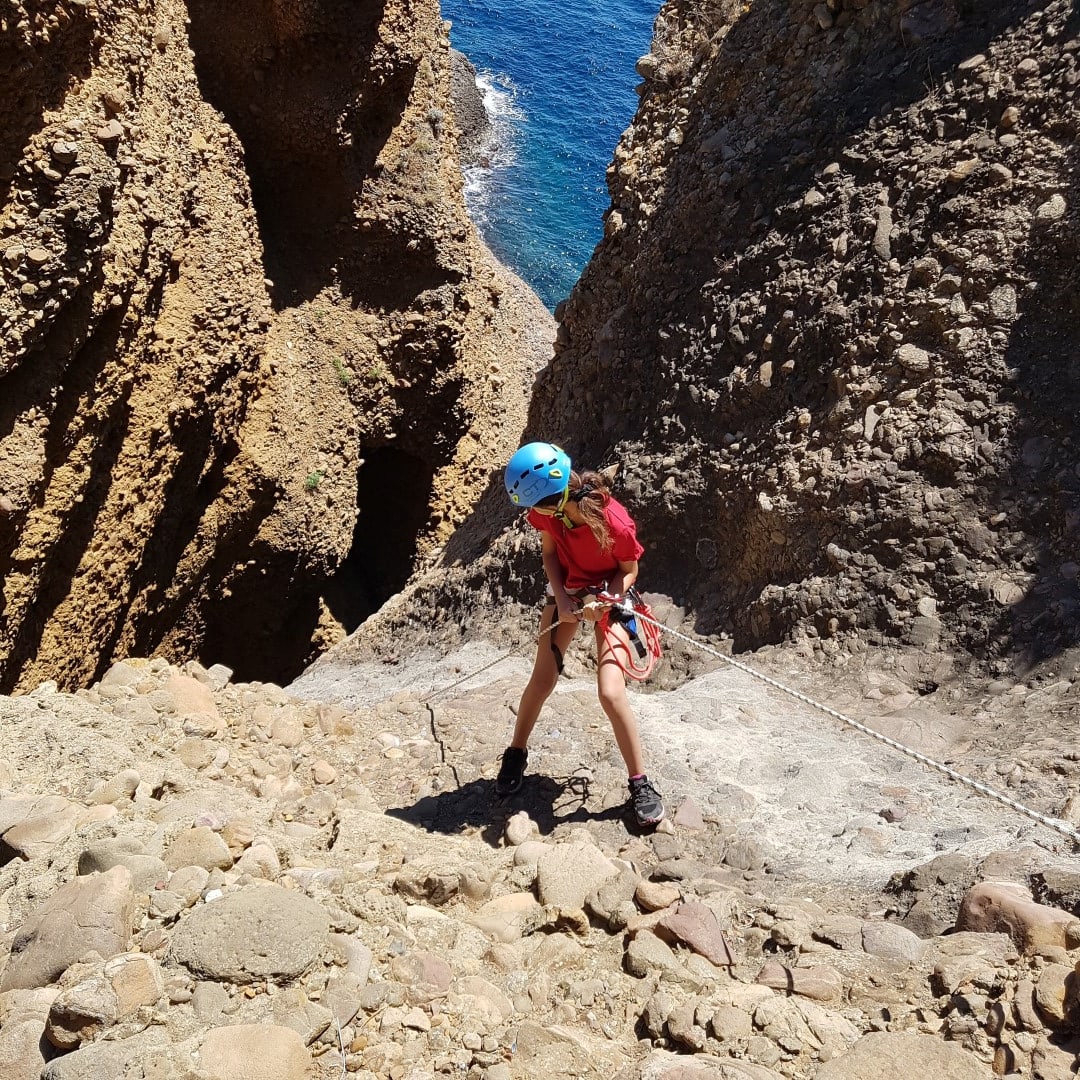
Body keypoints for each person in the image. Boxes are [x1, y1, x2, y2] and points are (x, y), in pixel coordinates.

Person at [498, 441, 666, 827]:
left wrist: (606, 600)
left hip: (612, 595)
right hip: (570, 593)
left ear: (551, 500)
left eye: (533, 506)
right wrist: (562, 598)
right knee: (542, 679)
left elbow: (629, 571)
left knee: (610, 692)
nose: (531, 514)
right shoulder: (548, 514)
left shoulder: (613, 520)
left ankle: (640, 783)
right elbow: (549, 555)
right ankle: (515, 753)